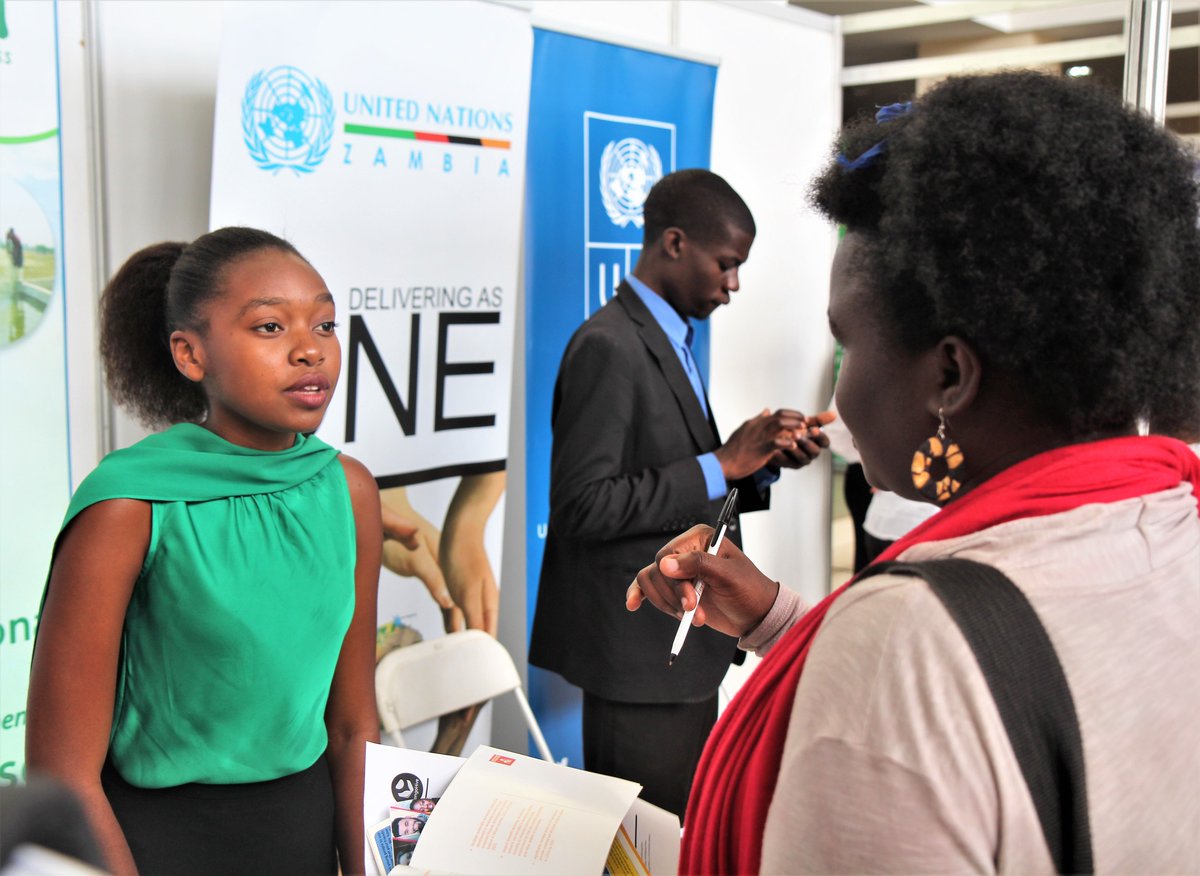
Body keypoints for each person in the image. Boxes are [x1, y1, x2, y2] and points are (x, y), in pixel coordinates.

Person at [629, 71, 1200, 872]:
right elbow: (1013, 708)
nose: (838, 388)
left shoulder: (902, 646)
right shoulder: (1173, 522)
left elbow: (939, 691)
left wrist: (857, 646)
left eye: (847, 343)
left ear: (948, 378)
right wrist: (779, 620)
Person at [26, 227, 383, 876]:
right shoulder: (127, 504)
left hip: (301, 833)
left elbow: (354, 729)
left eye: (326, 325)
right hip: (156, 847)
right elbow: (61, 773)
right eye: (271, 328)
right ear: (190, 354)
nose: (311, 350)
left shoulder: (348, 490)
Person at [529, 169, 832, 817]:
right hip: (638, 660)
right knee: (645, 846)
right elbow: (582, 505)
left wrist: (759, 464)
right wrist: (722, 461)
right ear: (673, 243)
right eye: (727, 264)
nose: (735, 284)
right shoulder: (608, 346)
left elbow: (682, 482)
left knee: (679, 837)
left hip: (686, 649)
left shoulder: (671, 339)